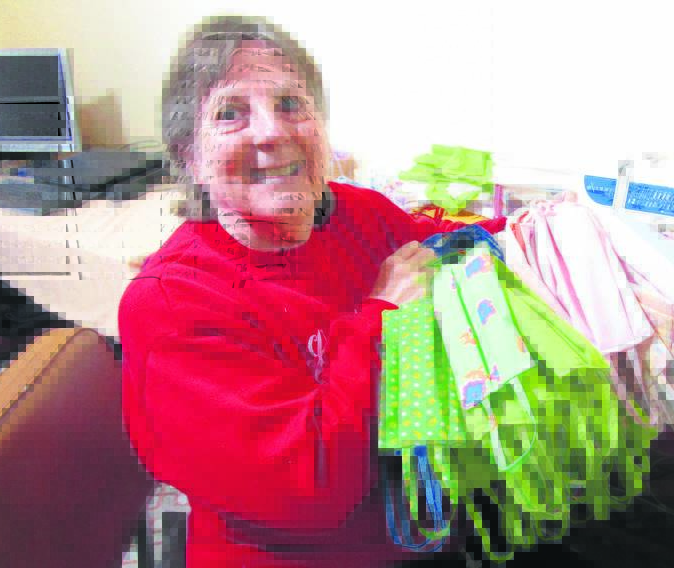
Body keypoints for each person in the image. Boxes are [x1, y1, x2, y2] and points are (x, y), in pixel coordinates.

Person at [118, 15, 504, 567]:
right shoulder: (173, 306)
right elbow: (311, 490)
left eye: (290, 104)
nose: (273, 133)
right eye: (230, 113)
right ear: (190, 158)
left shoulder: (356, 213)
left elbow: (448, 246)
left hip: (422, 522)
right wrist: (380, 317)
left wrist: (543, 233)